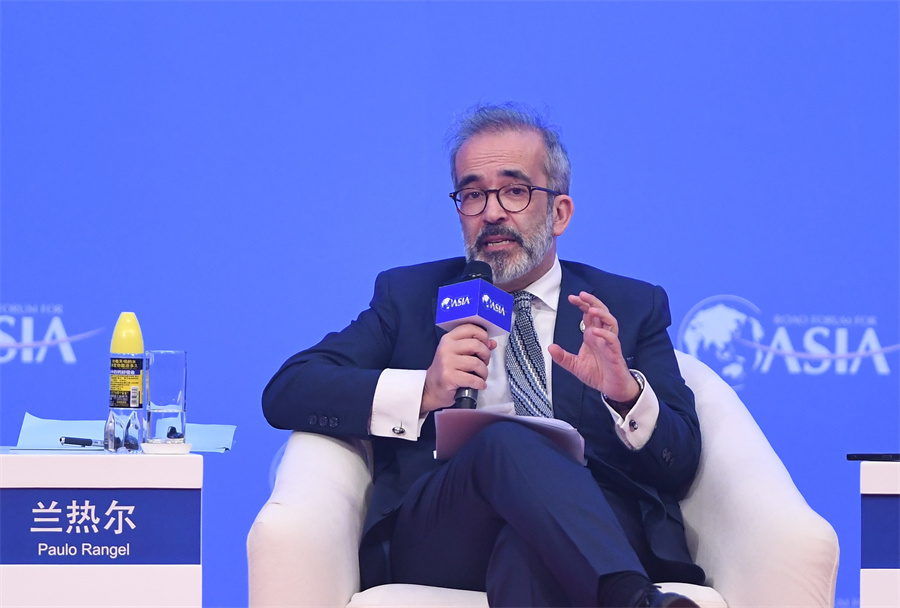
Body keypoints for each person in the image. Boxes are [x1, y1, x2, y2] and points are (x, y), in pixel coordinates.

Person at [263, 103, 706, 608]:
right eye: (473, 194)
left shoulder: (628, 306)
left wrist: (626, 395)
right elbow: (289, 389)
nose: (492, 213)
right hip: (447, 524)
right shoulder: (409, 297)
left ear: (559, 212)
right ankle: (635, 600)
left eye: (515, 191)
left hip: (594, 524)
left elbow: (681, 462)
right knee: (505, 440)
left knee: (528, 551)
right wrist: (425, 389)